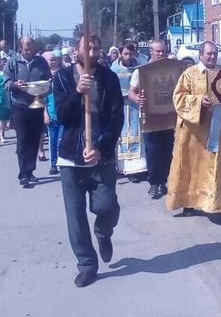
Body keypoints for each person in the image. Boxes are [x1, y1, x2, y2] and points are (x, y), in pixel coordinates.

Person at [53, 34, 124, 288]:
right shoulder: (62, 77)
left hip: (101, 158)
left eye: (96, 47)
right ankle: (87, 264)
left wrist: (102, 149)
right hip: (71, 158)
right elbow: (62, 115)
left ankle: (104, 231)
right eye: (87, 47)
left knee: (106, 206)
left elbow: (117, 119)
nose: (92, 51)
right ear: (76, 50)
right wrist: (77, 91)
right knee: (75, 217)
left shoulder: (109, 78)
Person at [165, 41, 221, 225]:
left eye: (215, 53)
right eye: (209, 53)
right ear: (201, 54)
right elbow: (178, 97)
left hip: (220, 132)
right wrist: (199, 101)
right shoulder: (189, 74)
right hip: (194, 133)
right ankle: (188, 201)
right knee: (191, 166)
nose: (212, 57)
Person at [4, 36, 51, 186]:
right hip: (20, 106)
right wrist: (16, 85)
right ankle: (23, 174)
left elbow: (49, 81)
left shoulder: (41, 62)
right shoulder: (13, 62)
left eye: (31, 48)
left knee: (34, 140)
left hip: (37, 106)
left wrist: (45, 90)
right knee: (22, 140)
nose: (29, 51)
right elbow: (6, 81)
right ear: (20, 48)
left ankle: (30, 171)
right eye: (26, 49)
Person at [130, 39, 174, 198]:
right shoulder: (141, 71)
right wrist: (137, 100)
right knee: (153, 151)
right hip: (150, 118)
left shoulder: (172, 68)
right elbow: (132, 92)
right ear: (151, 52)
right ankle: (154, 183)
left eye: (163, 51)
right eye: (158, 51)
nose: (161, 54)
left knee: (169, 151)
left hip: (170, 117)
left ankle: (166, 182)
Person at [111, 42, 146, 180]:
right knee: (123, 136)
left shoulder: (139, 66)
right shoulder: (114, 68)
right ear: (120, 53)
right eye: (125, 53)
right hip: (121, 105)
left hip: (136, 106)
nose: (128, 56)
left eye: (130, 53)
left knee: (138, 134)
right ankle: (125, 167)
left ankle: (139, 167)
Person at [43, 50, 65, 175]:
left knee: (62, 141)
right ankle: (53, 164)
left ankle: (62, 163)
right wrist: (45, 113)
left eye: (55, 59)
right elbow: (42, 98)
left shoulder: (63, 74)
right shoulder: (45, 78)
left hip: (63, 114)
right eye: (50, 60)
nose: (53, 61)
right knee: (53, 141)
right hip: (51, 115)